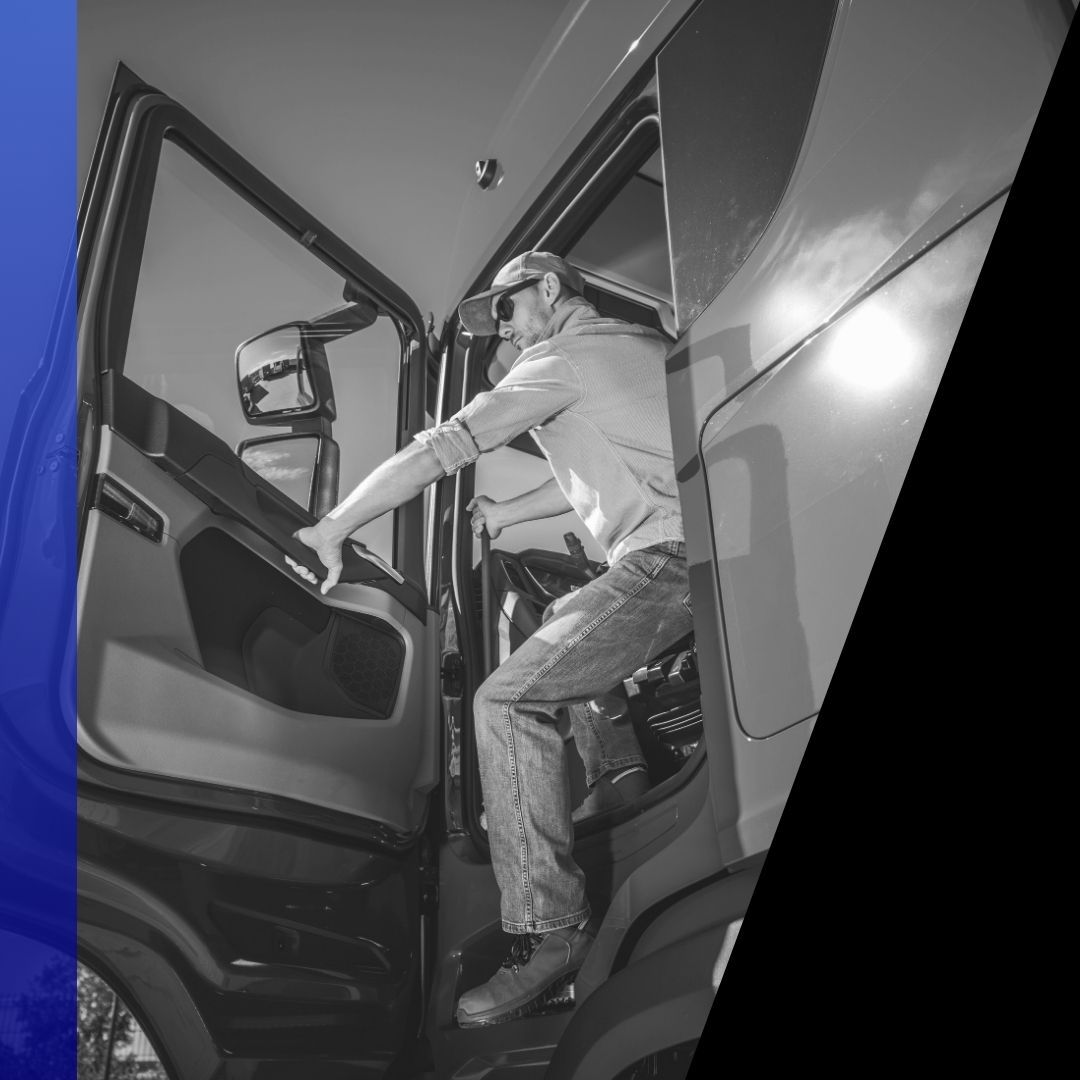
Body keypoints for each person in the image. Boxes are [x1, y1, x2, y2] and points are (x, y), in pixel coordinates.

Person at [288, 251, 693, 1028]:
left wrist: (335, 526)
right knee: (564, 621)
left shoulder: (557, 359)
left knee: (505, 699)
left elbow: (441, 448)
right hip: (693, 540)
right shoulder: (629, 349)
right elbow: (610, 461)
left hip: (668, 558)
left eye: (506, 311)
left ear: (549, 290)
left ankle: (549, 932)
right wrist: (509, 518)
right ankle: (623, 772)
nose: (501, 332)